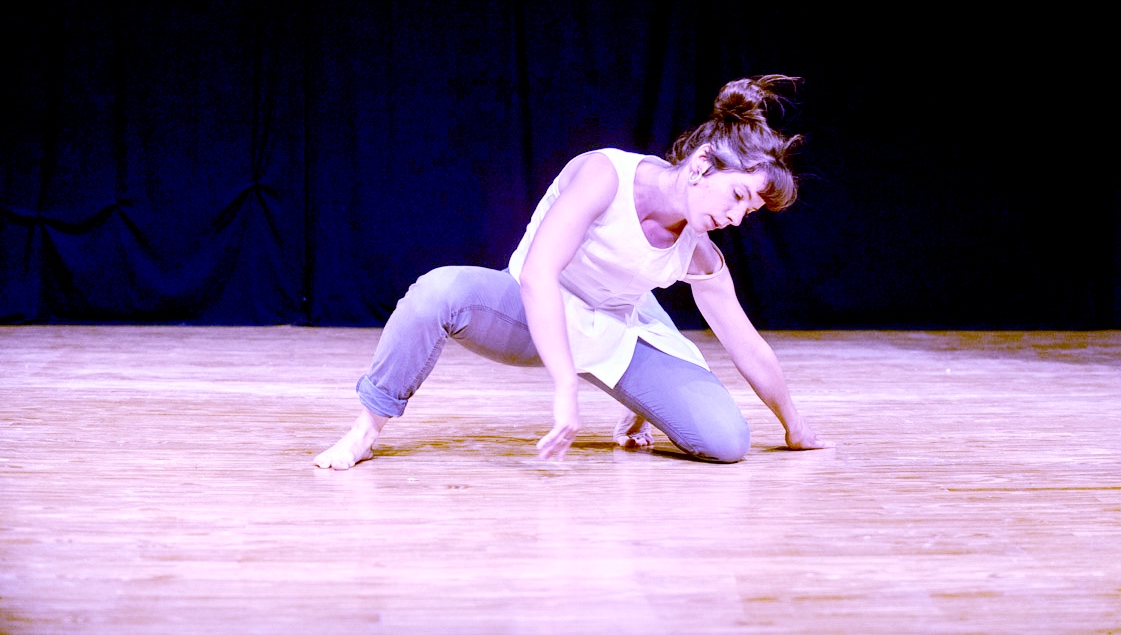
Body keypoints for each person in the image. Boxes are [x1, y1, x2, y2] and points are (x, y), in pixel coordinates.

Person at [314, 75, 826, 469]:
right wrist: (565, 385)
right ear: (701, 165)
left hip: (614, 330)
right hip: (534, 308)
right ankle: (366, 431)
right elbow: (538, 272)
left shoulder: (699, 252)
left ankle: (639, 406)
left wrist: (794, 426)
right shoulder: (606, 176)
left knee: (727, 441)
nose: (735, 218)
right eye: (737, 195)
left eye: (748, 212)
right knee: (436, 292)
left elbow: (746, 345)